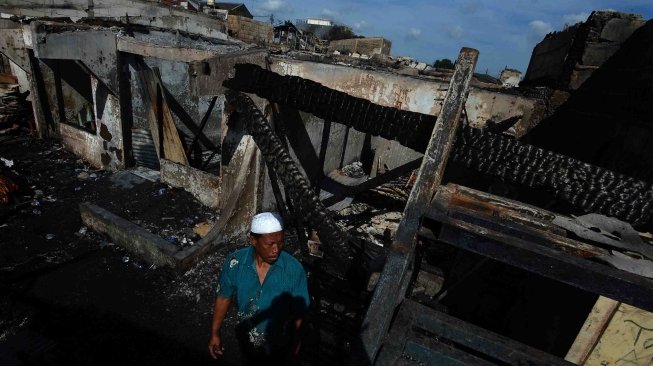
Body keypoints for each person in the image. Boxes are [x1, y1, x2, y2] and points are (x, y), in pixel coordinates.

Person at [208, 212, 310, 365]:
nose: (276, 249)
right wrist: (215, 333)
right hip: (247, 341)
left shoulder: (293, 269)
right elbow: (224, 297)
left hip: (280, 346)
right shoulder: (234, 263)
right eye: (270, 244)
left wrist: (295, 350)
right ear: (253, 240)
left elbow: (300, 315)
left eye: (280, 242)